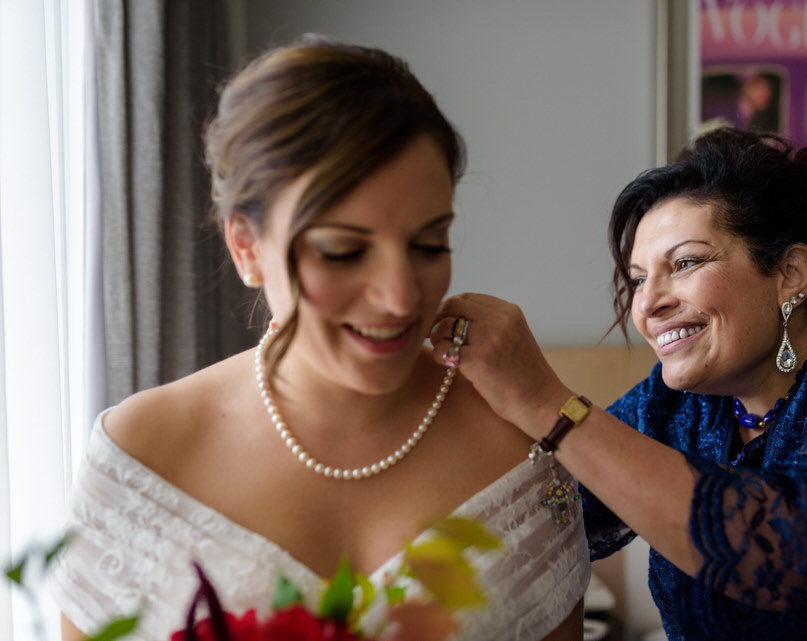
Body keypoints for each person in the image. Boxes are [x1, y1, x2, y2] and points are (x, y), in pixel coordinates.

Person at [50, 37, 589, 641]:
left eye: (429, 243)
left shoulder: (519, 449)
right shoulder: (142, 453)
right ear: (247, 249)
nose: (402, 296)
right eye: (343, 250)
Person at [431, 127, 807, 640]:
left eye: (684, 262)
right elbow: (542, 511)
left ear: (791, 273)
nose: (647, 304)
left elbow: (796, 546)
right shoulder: (678, 407)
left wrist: (547, 403)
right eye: (638, 279)